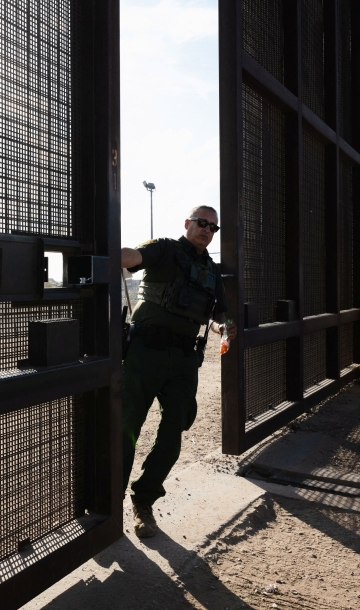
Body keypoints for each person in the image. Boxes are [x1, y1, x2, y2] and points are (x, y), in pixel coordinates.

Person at [120, 205, 235, 538]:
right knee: (126, 428)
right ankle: (108, 505)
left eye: (213, 228)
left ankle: (144, 501)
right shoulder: (165, 249)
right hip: (144, 353)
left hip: (184, 360)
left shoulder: (211, 271)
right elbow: (133, 256)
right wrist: (116, 254)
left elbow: (218, 315)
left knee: (172, 439)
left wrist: (225, 328)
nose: (207, 231)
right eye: (202, 224)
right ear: (188, 224)